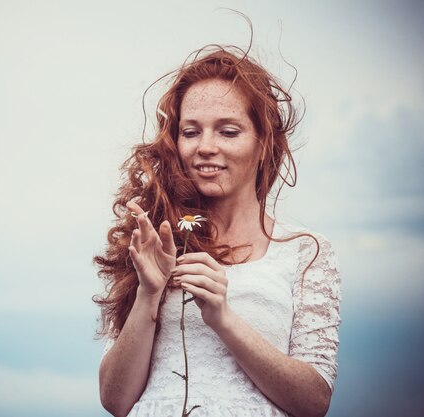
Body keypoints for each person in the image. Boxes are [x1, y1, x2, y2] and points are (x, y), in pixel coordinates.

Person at [93, 44, 342, 417]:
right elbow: (115, 400)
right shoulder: (151, 241)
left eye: (228, 132)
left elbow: (314, 401)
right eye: (190, 132)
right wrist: (149, 292)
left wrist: (223, 319)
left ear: (263, 144)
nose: (206, 147)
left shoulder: (305, 252)